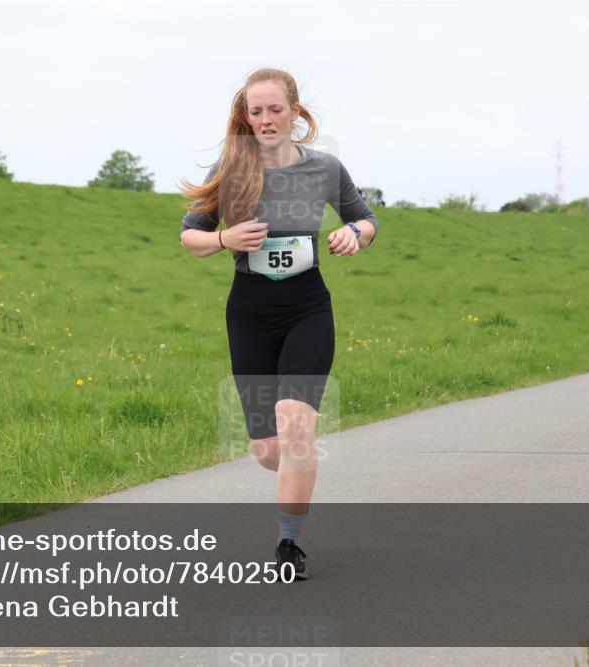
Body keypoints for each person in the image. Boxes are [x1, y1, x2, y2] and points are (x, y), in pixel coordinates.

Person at [180, 68, 378, 580]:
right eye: (255, 111)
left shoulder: (325, 168)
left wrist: (355, 233)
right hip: (248, 313)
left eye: (274, 109)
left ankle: (289, 545)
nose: (265, 119)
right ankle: (291, 467)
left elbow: (366, 218)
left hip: (307, 308)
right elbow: (190, 238)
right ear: (245, 117)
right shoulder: (233, 169)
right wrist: (226, 240)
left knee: (296, 428)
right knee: (269, 449)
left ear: (295, 111)